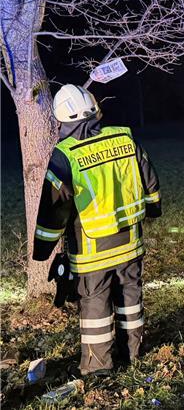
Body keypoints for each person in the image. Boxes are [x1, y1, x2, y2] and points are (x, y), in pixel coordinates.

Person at [32, 84, 161, 376]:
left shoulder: (65, 156)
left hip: (92, 252)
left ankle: (97, 366)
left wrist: (42, 250)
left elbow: (54, 208)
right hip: (130, 242)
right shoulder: (124, 138)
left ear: (61, 119)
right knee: (130, 298)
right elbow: (149, 178)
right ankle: (133, 354)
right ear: (95, 109)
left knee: (95, 309)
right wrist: (153, 208)